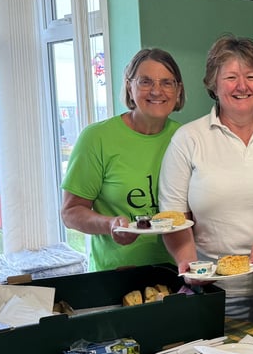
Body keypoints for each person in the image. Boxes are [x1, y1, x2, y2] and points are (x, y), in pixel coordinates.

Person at [158, 35, 253, 331]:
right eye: (231, 77)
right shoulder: (188, 139)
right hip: (217, 291)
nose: (242, 86)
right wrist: (191, 267)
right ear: (213, 85)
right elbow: (175, 217)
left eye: (251, 76)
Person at [61, 48, 185, 271]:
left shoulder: (187, 138)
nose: (157, 91)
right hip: (114, 275)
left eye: (167, 82)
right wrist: (110, 225)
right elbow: (71, 212)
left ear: (178, 90)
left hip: (176, 273)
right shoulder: (97, 138)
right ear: (129, 86)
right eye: (145, 81)